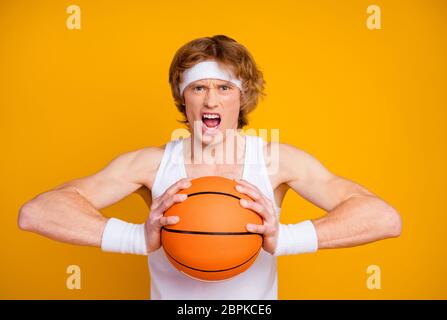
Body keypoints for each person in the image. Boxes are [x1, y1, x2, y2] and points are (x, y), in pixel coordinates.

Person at [18, 35, 402, 299]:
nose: (211, 101)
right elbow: (36, 212)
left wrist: (287, 238)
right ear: (183, 98)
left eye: (224, 88)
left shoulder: (275, 161)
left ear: (243, 96)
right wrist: (137, 237)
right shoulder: (151, 165)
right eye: (198, 88)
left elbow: (384, 218)